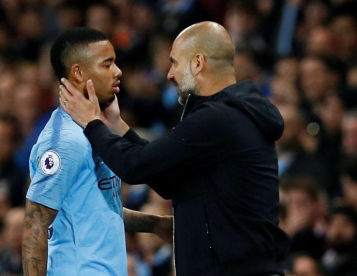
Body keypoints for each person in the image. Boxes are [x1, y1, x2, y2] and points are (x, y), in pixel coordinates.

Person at [59, 22, 291, 275]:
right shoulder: (228, 116)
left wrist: (91, 123)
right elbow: (168, 182)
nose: (170, 74)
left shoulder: (218, 119)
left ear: (198, 63)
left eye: (175, 62)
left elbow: (135, 166)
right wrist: (116, 125)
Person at [22, 27, 173, 276]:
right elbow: (34, 224)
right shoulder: (66, 141)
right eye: (107, 64)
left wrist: (153, 223)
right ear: (78, 73)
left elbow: (91, 209)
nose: (118, 71)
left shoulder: (93, 131)